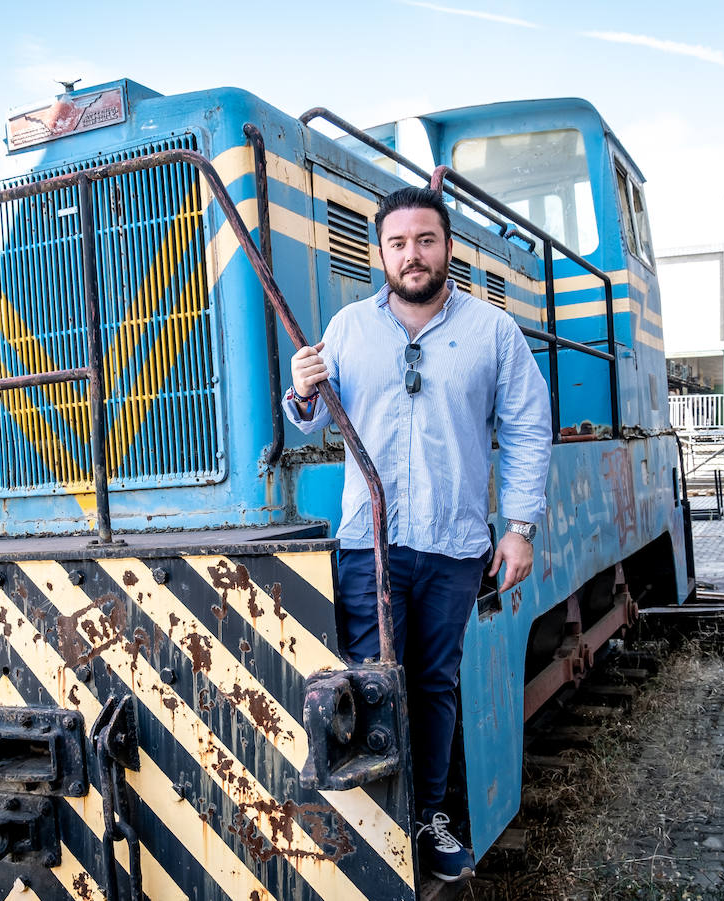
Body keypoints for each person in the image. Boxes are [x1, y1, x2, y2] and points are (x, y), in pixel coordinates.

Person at [282, 186, 551, 883]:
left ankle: (427, 817)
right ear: (380, 253)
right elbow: (310, 417)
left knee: (434, 684)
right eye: (398, 243)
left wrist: (519, 529)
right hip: (368, 545)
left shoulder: (493, 333)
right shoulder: (346, 328)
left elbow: (526, 427)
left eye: (425, 240)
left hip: (454, 546)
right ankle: (379, 826)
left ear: (448, 247)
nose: (412, 254)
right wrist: (303, 386)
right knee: (373, 684)